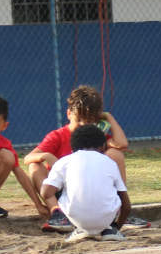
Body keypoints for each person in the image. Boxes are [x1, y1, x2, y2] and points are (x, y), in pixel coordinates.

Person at [24, 84, 145, 231]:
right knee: (35, 165)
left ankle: (118, 212)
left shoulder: (95, 138)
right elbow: (28, 158)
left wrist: (108, 117)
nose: (83, 125)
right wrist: (46, 156)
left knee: (115, 154)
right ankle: (57, 214)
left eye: (89, 121)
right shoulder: (58, 136)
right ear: (69, 114)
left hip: (91, 191)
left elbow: (121, 144)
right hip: (61, 192)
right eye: (79, 119)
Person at [40, 124, 132, 243]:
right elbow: (126, 205)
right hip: (107, 220)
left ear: (72, 148)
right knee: (112, 192)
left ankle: (79, 228)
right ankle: (109, 231)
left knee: (61, 189)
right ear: (103, 146)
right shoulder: (110, 163)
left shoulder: (64, 162)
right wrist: (116, 227)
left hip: (76, 218)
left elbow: (46, 193)